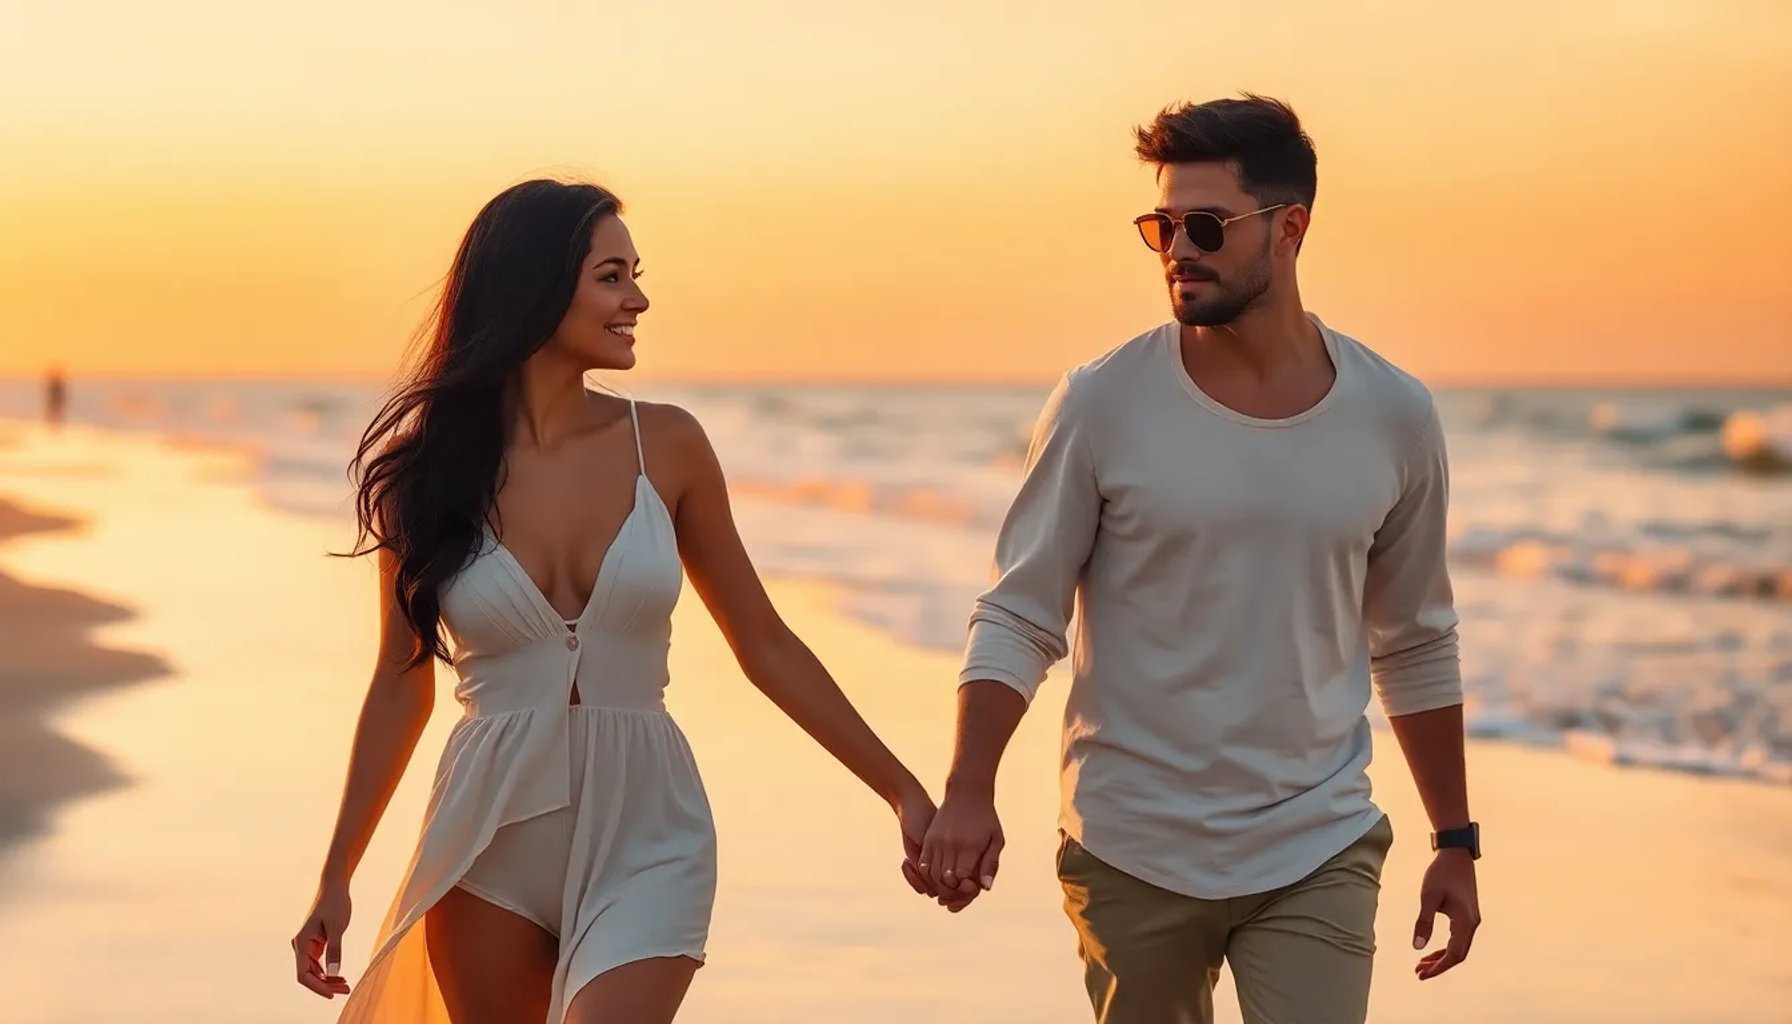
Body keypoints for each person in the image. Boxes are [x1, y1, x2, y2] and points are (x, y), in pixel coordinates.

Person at [290, 179, 936, 1024]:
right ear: (537, 287)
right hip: (486, 838)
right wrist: (337, 874)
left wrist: (902, 792)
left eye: (634, 274)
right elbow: (399, 680)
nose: (638, 299)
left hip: (649, 833)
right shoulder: (426, 475)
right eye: (612, 276)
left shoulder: (667, 446)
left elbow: (765, 645)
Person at [918, 95, 1482, 1024]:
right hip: (1133, 844)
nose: (1179, 249)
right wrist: (967, 788)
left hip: (1318, 839)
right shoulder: (1102, 402)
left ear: (1290, 228)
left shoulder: (1395, 415)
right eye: (1163, 226)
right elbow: (1021, 612)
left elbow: (1415, 639)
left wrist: (1454, 839)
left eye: (1207, 227)